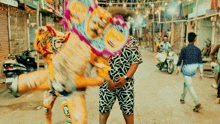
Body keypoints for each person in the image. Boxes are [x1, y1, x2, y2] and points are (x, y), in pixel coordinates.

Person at [99, 36, 143, 124]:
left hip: (126, 85)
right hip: (107, 84)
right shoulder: (104, 40)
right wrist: (108, 80)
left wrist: (126, 78)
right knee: (104, 111)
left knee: (128, 112)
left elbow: (136, 61)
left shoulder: (131, 41)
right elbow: (100, 62)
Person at [176, 32, 204, 112]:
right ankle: (182, 98)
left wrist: (177, 68)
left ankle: (197, 103)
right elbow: (200, 62)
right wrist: (201, 73)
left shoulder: (184, 49)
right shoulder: (198, 50)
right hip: (193, 70)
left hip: (186, 70)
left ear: (188, 39)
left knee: (190, 86)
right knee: (186, 84)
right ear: (194, 40)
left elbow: (180, 59)